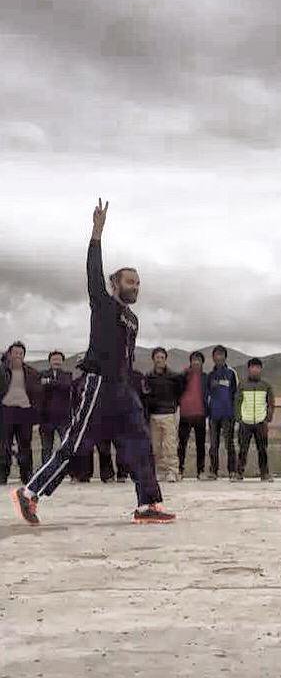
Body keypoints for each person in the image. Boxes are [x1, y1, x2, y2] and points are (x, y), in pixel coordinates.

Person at [12, 200, 174, 525]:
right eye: (130, 282)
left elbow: (126, 357)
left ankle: (148, 505)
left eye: (139, 282)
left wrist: (131, 387)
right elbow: (92, 273)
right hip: (97, 385)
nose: (136, 286)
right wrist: (96, 235)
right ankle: (30, 493)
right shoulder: (103, 304)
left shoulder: (132, 318)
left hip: (122, 390)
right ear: (115, 285)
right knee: (76, 444)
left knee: (140, 442)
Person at [0, 342, 41, 485]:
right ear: (9, 354)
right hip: (6, 411)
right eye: (15, 353)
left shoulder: (32, 372)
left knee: (25, 445)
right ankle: (2, 475)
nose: (18, 355)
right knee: (4, 444)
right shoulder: (2, 370)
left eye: (20, 353)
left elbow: (37, 395)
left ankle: (26, 476)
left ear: (24, 355)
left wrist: (35, 415)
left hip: (25, 412)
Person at [144, 347, 182, 483]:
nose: (159, 360)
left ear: (165, 359)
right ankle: (160, 471)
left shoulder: (174, 377)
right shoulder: (148, 377)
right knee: (156, 446)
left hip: (168, 414)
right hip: (154, 415)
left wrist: (173, 405)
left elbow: (179, 393)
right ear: (153, 359)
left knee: (170, 445)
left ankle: (172, 471)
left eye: (162, 357)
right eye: (157, 357)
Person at [235, 358, 274, 481]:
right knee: (243, 449)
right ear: (249, 369)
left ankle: (265, 473)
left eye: (257, 367)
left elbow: (270, 403)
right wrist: (239, 418)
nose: (255, 370)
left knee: (262, 450)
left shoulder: (266, 386)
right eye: (253, 367)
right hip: (245, 423)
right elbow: (237, 402)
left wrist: (267, 417)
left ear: (260, 369)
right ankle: (239, 473)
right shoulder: (242, 385)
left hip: (260, 423)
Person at [206, 345, 238, 480]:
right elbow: (207, 394)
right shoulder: (210, 375)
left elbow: (236, 394)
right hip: (214, 415)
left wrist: (235, 413)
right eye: (216, 355)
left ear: (225, 357)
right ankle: (213, 471)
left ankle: (232, 471)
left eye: (221, 354)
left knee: (229, 443)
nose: (219, 357)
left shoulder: (231, 373)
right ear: (213, 358)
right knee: (213, 444)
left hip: (228, 414)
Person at [38, 351, 73, 466]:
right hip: (46, 418)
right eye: (54, 359)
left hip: (63, 418)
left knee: (66, 445)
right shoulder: (42, 374)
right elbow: (39, 389)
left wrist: (49, 382)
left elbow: (66, 386)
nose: (56, 362)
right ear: (50, 361)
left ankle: (66, 469)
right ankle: (46, 471)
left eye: (59, 359)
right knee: (46, 447)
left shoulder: (67, 375)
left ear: (62, 361)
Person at [177, 351, 208, 479]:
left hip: (200, 413)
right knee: (182, 444)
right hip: (185, 413)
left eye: (198, 360)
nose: (196, 362)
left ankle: (200, 471)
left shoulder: (205, 377)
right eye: (194, 360)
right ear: (190, 362)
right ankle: (180, 470)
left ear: (202, 363)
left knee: (200, 445)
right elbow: (177, 390)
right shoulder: (184, 375)